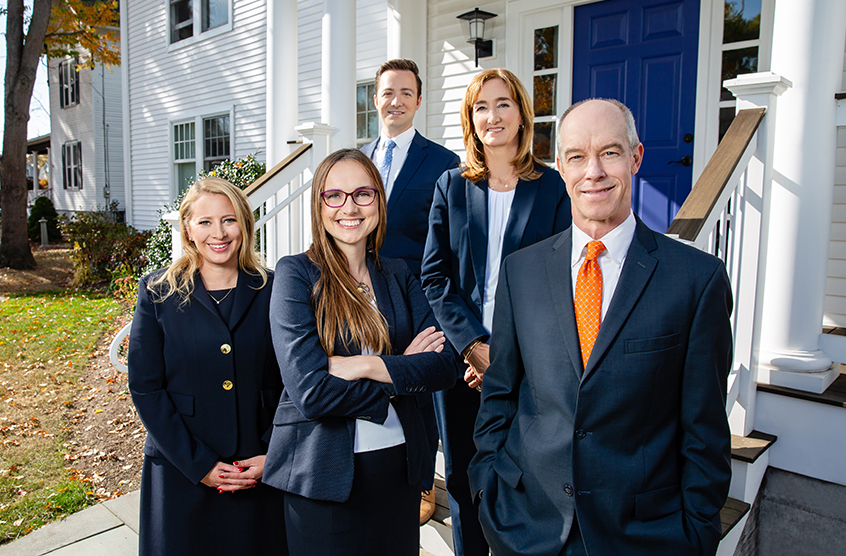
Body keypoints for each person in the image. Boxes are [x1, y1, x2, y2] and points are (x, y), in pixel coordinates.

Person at [468, 98, 733, 556]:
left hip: (642, 537)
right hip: (526, 525)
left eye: (609, 152)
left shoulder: (695, 280)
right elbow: (501, 394)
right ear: (560, 166)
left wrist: (696, 534)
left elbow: (704, 430)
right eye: (577, 156)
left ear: (636, 157)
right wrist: (486, 492)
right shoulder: (521, 271)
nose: (593, 172)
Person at [262, 148, 457, 556]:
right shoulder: (295, 275)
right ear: (319, 205)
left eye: (362, 194)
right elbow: (311, 392)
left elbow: (443, 365)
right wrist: (400, 371)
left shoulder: (398, 273)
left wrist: (366, 365)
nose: (349, 207)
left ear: (378, 202)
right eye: (334, 195)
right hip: (322, 474)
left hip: (399, 470)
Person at [421, 68, 571, 556]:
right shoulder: (451, 186)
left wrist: (504, 357)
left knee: (524, 477)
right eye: (481, 107)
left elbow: (560, 281)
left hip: (529, 365)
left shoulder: (552, 188)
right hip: (461, 363)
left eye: (503, 103)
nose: (493, 115)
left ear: (522, 113)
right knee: (463, 476)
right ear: (471, 119)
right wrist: (472, 346)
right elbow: (435, 276)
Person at [128, 177, 285, 556]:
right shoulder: (157, 292)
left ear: (245, 225)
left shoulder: (275, 289)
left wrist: (275, 453)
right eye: (205, 222)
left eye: (229, 220)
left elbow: (292, 382)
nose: (219, 233)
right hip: (181, 468)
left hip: (256, 465)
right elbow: (146, 387)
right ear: (188, 229)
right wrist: (199, 465)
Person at [361, 58, 460, 523]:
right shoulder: (359, 159)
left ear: (418, 101)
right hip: (363, 291)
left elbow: (447, 240)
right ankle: (379, 466)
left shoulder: (442, 163)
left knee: (418, 387)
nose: (395, 101)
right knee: (374, 376)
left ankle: (422, 483)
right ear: (375, 99)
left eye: (405, 92)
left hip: (416, 294)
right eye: (387, 92)